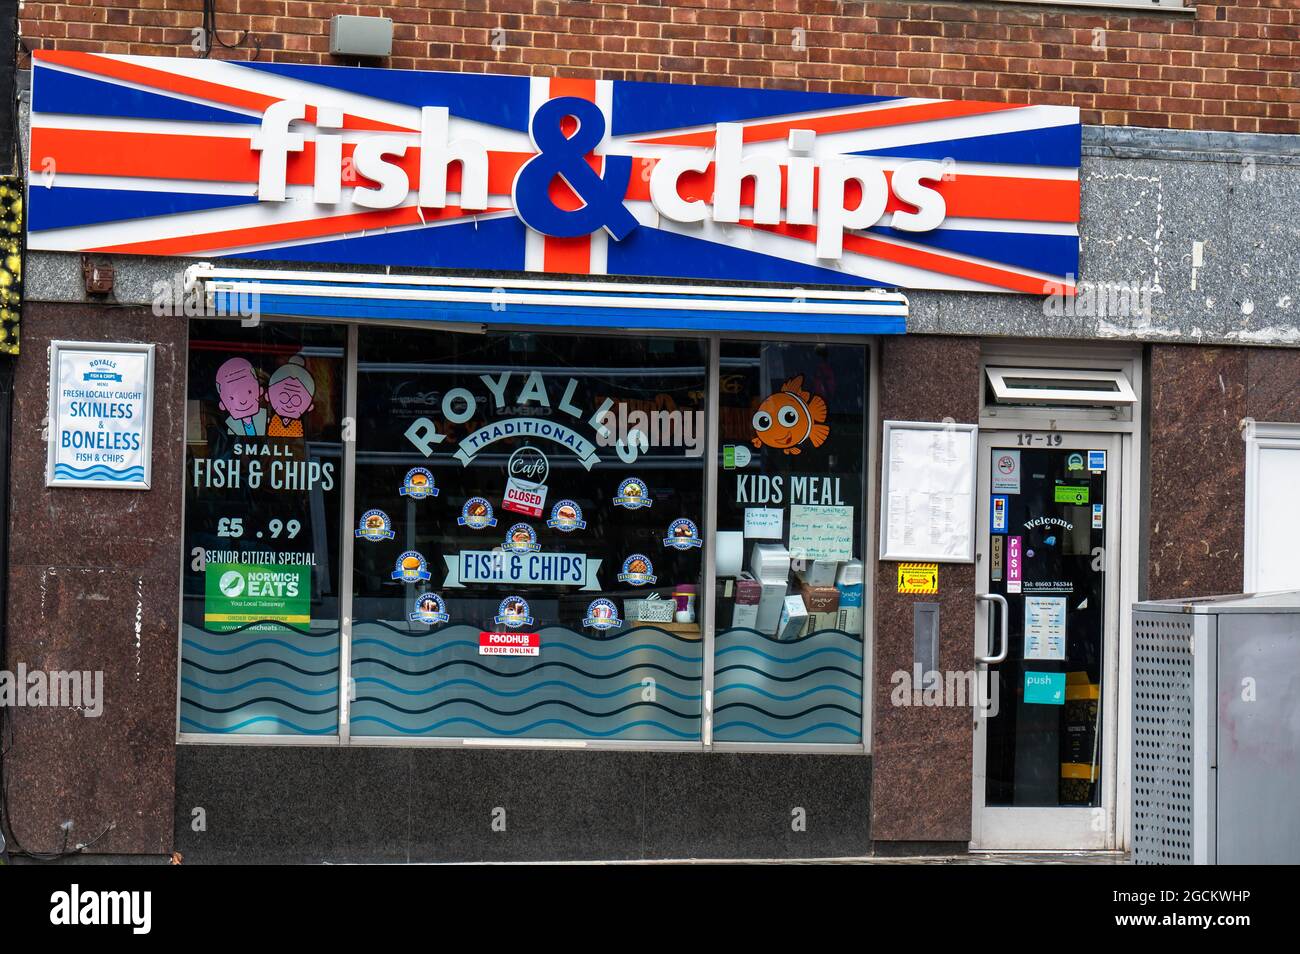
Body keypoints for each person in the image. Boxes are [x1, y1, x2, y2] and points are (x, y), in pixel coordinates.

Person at [266, 355, 317, 438]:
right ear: (268, 396)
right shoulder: (271, 420)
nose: (289, 404)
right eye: (283, 397)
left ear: (309, 406)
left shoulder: (299, 425)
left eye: (296, 401)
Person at [216, 356, 266, 436]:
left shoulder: (267, 419)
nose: (243, 401)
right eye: (232, 398)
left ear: (260, 391)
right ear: (222, 405)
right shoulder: (228, 427)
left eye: (249, 392)